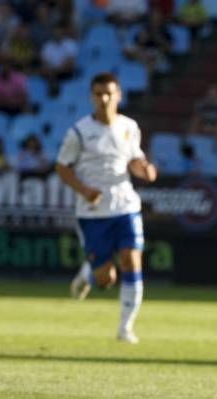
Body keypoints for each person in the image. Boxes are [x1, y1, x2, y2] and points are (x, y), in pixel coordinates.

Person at [55, 72, 158, 344]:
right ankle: (89, 272)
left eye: (109, 93)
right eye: (99, 94)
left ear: (118, 96)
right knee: (106, 279)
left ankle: (126, 328)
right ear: (92, 97)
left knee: (131, 259)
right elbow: (62, 167)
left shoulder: (129, 127)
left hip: (125, 205)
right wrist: (85, 191)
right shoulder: (79, 132)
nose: (104, 99)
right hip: (92, 213)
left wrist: (145, 170)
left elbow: (135, 160)